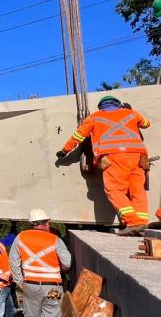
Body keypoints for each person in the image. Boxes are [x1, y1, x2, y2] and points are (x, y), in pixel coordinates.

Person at [57, 95, 152, 236]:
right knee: (138, 190)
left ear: (101, 107)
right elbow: (146, 123)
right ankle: (142, 223)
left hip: (114, 158)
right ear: (118, 104)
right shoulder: (131, 113)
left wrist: (64, 150)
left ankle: (133, 222)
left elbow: (78, 136)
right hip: (138, 157)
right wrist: (131, 111)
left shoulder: (95, 118)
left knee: (114, 190)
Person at [9, 209, 71, 317]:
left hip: (30, 285)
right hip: (53, 287)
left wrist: (20, 282)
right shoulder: (55, 240)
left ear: (32, 223)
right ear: (47, 223)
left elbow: (13, 262)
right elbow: (68, 263)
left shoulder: (21, 237)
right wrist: (62, 269)